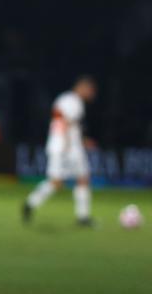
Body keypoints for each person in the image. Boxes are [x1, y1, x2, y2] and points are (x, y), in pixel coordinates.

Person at [23, 77, 98, 227]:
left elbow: (66, 123)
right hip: (66, 148)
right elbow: (62, 121)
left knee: (82, 178)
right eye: (90, 91)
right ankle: (30, 203)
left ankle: (82, 217)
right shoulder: (72, 101)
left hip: (69, 146)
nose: (92, 94)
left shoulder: (66, 100)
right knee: (57, 182)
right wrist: (65, 144)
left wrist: (82, 141)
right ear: (82, 87)